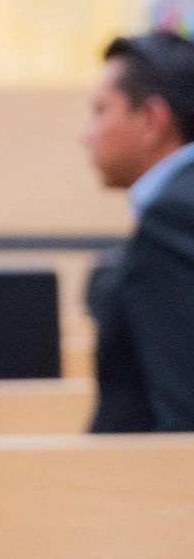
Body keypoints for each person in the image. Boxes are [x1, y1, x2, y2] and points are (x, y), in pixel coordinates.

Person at [83, 31, 194, 432]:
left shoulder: (172, 216)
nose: (86, 135)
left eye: (101, 110)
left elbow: (182, 409)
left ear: (151, 119)